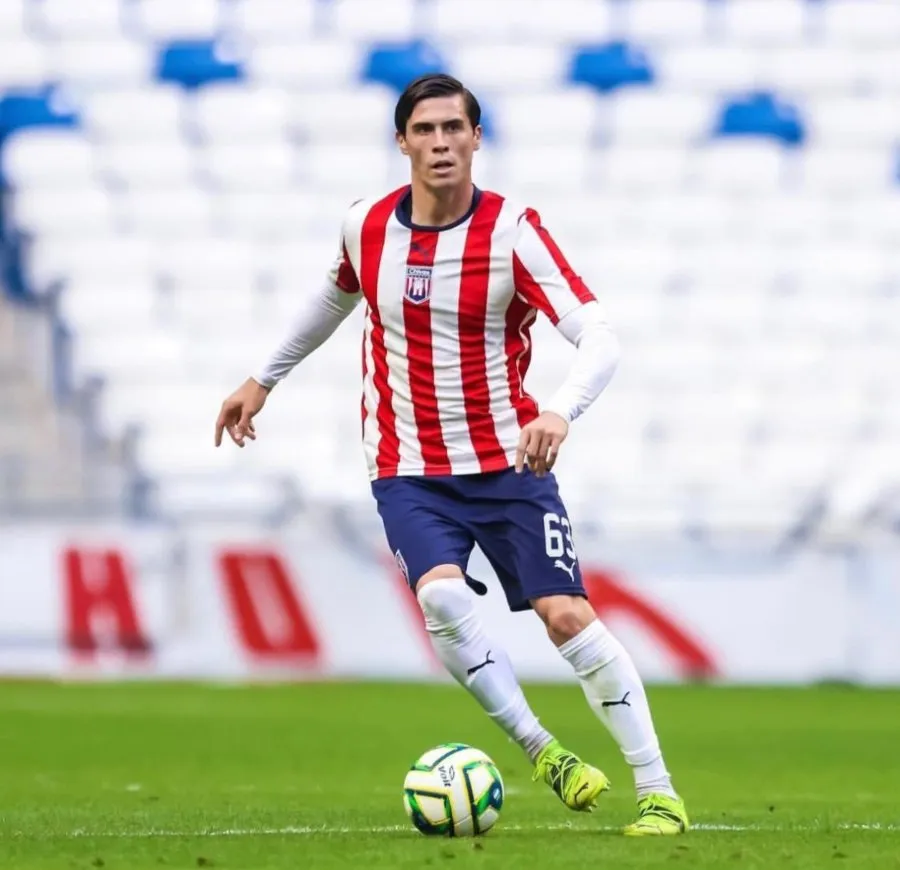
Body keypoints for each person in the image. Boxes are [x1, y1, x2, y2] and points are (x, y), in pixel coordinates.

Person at [214, 73, 689, 836]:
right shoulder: (366, 226)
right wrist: (262, 379)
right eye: (425, 130)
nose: (440, 143)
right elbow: (335, 297)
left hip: (508, 463)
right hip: (408, 467)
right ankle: (544, 752)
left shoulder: (512, 233)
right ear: (401, 142)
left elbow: (600, 337)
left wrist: (560, 411)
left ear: (476, 138)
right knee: (440, 597)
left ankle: (659, 791)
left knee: (567, 616)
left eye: (454, 129)